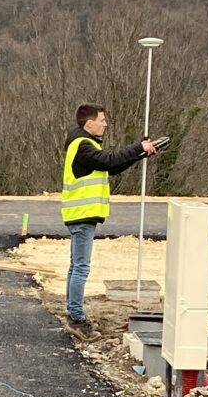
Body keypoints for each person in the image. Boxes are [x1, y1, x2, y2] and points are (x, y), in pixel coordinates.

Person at [60, 103, 158, 325]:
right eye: (102, 120)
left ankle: (72, 309)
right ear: (89, 123)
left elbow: (111, 167)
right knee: (81, 267)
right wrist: (137, 147)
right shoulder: (83, 145)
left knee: (76, 265)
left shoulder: (81, 144)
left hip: (80, 213)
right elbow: (109, 161)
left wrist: (140, 153)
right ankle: (76, 315)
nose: (105, 124)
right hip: (82, 213)